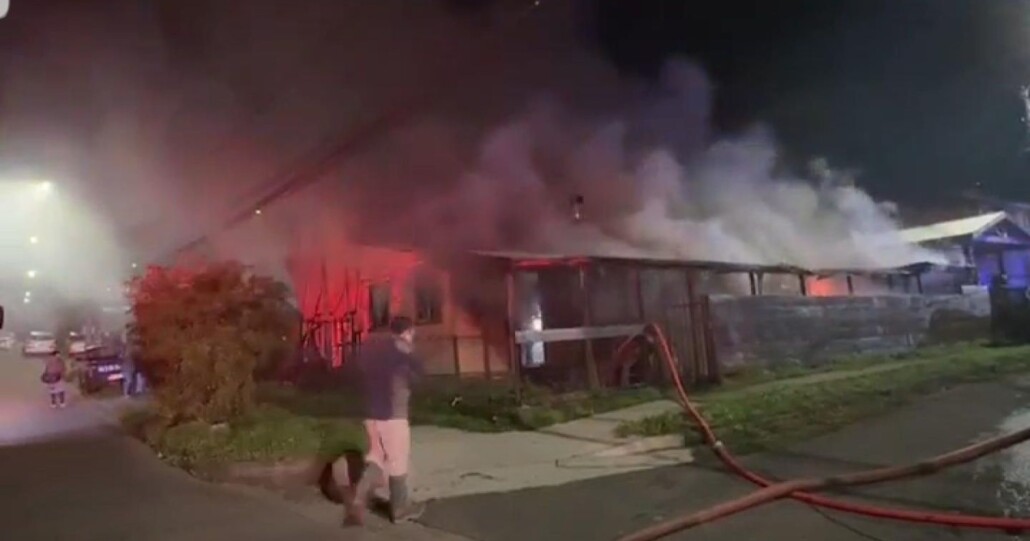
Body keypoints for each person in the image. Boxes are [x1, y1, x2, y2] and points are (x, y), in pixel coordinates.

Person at [343, 315, 426, 526]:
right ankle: (399, 509)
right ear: (407, 332)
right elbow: (419, 374)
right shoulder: (403, 348)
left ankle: (357, 498)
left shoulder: (374, 348)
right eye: (412, 333)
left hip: (371, 414)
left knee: (376, 457)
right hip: (393, 415)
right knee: (397, 459)